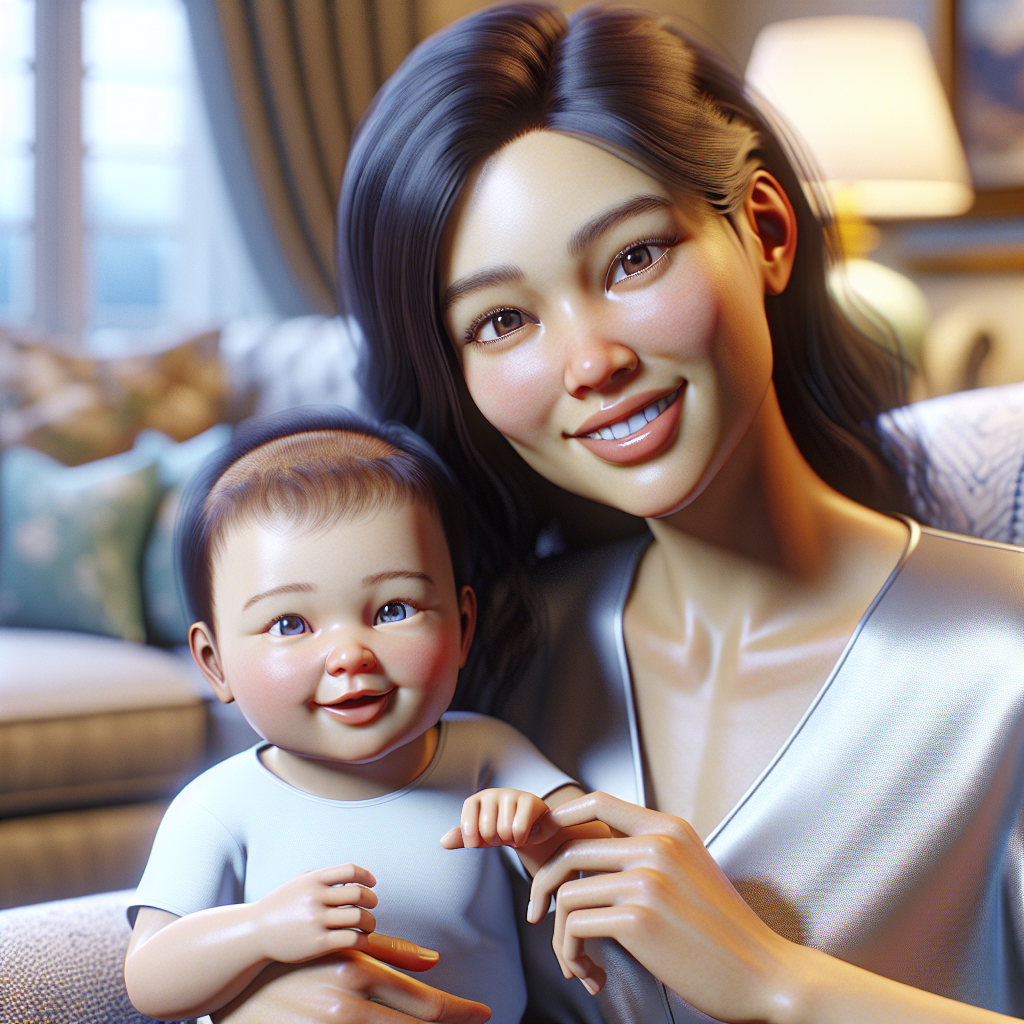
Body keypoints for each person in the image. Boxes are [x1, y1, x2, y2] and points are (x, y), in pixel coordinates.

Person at [214, 5, 1024, 1024]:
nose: (590, 362)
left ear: (765, 233)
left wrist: (781, 984)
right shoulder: (485, 660)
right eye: (503, 321)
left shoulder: (1004, 649)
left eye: (633, 259)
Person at [122, 408, 607, 1023]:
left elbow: (603, 861)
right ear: (214, 664)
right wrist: (258, 930)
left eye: (393, 609)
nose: (350, 655)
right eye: (290, 624)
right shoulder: (218, 805)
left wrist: (543, 833)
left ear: (462, 627)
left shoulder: (486, 754)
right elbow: (150, 979)